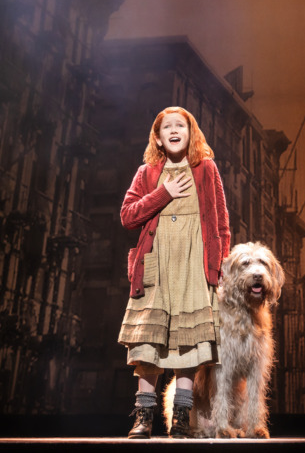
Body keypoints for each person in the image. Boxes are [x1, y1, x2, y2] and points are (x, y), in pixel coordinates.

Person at [117, 106, 230, 439]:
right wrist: (163, 193)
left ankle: (180, 417)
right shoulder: (148, 172)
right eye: (168, 127)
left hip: (194, 265)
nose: (175, 130)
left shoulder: (207, 168)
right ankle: (143, 417)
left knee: (188, 345)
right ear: (158, 136)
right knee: (149, 343)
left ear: (190, 131)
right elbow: (128, 216)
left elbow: (221, 223)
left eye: (181, 125)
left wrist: (218, 265)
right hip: (157, 263)